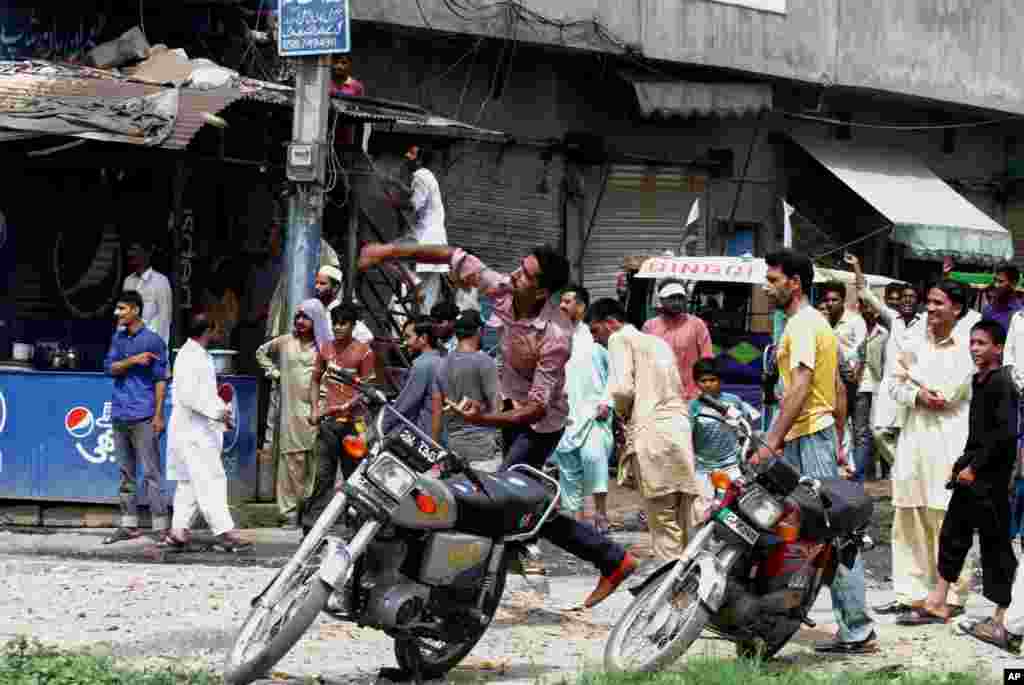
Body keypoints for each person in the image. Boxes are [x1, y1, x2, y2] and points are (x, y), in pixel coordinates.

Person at [359, 240, 634, 608]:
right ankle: (604, 558)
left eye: (525, 274)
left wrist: (482, 417)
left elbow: (537, 409)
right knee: (520, 505)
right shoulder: (503, 289)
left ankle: (596, 560)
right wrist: (388, 252)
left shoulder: (556, 336)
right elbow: (449, 254)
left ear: (541, 290)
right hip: (509, 410)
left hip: (539, 427)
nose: (514, 275)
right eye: (519, 266)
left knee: (504, 501)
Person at [754, 249, 877, 655]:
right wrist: (838, 441)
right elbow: (838, 388)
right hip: (813, 436)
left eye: (773, 280)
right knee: (794, 532)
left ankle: (857, 630)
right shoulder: (806, 324)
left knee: (835, 536)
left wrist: (771, 440)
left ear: (794, 282)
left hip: (808, 438)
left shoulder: (805, 324)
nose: (766, 287)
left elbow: (802, 386)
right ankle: (780, 615)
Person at [899, 321, 1018, 635]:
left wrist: (975, 467)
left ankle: (1003, 615)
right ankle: (938, 600)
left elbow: (1003, 436)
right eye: (973, 343)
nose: (975, 349)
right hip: (971, 476)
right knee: (953, 534)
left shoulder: (1002, 383)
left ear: (998, 348)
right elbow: (977, 433)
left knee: (996, 546)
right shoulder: (979, 380)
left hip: (990, 480)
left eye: (982, 344)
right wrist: (961, 463)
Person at [877, 280, 975, 618]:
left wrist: (912, 378)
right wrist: (915, 392)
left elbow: (947, 393)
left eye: (938, 303)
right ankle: (911, 594)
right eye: (929, 302)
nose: (930, 309)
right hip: (914, 435)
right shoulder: (912, 339)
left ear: (956, 309)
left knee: (946, 514)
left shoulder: (966, 346)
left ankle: (951, 596)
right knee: (908, 512)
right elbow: (893, 384)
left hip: (950, 439)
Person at [588, 297, 701, 562]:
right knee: (683, 519)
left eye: (595, 330)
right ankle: (688, 582)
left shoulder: (618, 339)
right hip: (679, 432)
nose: (596, 339)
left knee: (662, 526)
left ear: (611, 323)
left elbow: (621, 389)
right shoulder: (658, 343)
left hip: (651, 433)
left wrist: (624, 415)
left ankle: (672, 591)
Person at [163, 314, 250, 551]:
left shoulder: (195, 355)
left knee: (189, 483)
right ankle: (224, 530)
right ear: (209, 330)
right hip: (194, 433)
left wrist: (221, 413)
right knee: (211, 479)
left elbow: (205, 395)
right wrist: (218, 412)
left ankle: (178, 530)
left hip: (192, 429)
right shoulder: (190, 356)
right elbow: (192, 396)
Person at [101, 290, 171, 544]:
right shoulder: (117, 339)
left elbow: (161, 380)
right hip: (119, 414)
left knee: (152, 474)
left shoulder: (153, 341)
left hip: (144, 415)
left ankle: (161, 528)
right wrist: (132, 360)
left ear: (136, 311)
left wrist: (159, 415)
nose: (117, 313)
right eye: (117, 309)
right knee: (125, 474)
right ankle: (129, 525)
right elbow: (109, 368)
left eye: (122, 309)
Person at [255, 300, 332, 528]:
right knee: (291, 460)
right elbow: (261, 353)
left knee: (314, 463)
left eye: (305, 317)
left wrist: (324, 400)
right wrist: (274, 372)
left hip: (315, 411)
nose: (299, 321)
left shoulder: (324, 347)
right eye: (297, 316)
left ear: (316, 321)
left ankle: (308, 511)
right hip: (290, 411)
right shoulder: (286, 342)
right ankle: (288, 512)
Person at [304, 303, 377, 534]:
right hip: (328, 425)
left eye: (343, 323)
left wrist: (347, 404)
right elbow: (315, 380)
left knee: (353, 478)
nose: (338, 327)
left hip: (353, 427)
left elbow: (368, 389)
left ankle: (354, 529)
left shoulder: (364, 352)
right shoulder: (326, 349)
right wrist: (315, 408)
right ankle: (310, 529)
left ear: (353, 325)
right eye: (334, 323)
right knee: (322, 477)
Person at [846, 255, 919, 477]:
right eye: (904, 297)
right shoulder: (892, 318)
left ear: (917, 301)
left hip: (912, 386)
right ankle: (903, 468)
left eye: (911, 297)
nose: (907, 300)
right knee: (878, 432)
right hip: (888, 387)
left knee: (907, 434)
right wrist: (857, 265)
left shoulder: (925, 322)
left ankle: (907, 476)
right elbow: (865, 293)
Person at [551, 286, 614, 532]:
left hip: (594, 413)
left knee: (594, 458)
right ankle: (576, 519)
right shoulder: (555, 336)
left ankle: (600, 513)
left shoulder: (596, 337)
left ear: (582, 306)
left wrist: (607, 401)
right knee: (567, 466)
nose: (562, 306)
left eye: (568, 301)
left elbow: (615, 374)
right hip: (565, 413)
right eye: (561, 301)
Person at [690, 358, 760, 515]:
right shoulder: (693, 407)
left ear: (721, 380)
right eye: (703, 380)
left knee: (743, 506)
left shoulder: (733, 402)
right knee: (703, 511)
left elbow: (748, 427)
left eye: (712, 380)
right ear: (696, 383)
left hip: (731, 465)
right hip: (703, 468)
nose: (708, 384)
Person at [384, 145, 448, 314]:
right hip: (435, 239)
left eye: (410, 156)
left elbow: (414, 204)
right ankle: (416, 289)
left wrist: (393, 202)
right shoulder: (427, 176)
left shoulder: (419, 176)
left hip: (425, 237)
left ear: (419, 160)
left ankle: (414, 282)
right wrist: (396, 183)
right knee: (428, 294)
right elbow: (416, 195)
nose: (406, 159)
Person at [433, 310, 500, 463]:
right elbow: (497, 407)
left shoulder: (442, 364)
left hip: (453, 444)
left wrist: (435, 447)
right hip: (482, 445)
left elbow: (437, 410)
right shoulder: (485, 361)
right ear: (478, 331)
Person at [642, 280, 713, 401]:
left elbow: (707, 359)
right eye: (671, 298)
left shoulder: (697, 325)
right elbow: (643, 362)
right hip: (660, 396)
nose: (677, 302)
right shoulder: (650, 327)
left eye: (680, 298)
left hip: (692, 396)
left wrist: (702, 390)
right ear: (661, 300)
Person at [382, 318, 444, 437]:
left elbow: (404, 404)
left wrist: (381, 425)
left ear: (423, 338)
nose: (405, 343)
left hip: (420, 435)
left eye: (408, 337)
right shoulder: (440, 360)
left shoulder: (422, 365)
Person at [853, 295, 889, 481]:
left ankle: (876, 472)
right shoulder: (855, 330)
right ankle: (861, 473)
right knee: (860, 431)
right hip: (857, 386)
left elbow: (885, 363)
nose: (867, 311)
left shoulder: (883, 334)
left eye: (870, 308)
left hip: (876, 386)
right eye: (863, 307)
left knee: (876, 430)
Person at [123, 242, 172, 346]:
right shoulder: (128, 281)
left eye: (135, 250)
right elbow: (124, 315)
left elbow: (165, 319)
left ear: (147, 254)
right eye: (130, 250)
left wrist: (160, 351)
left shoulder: (160, 280)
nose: (131, 254)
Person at [314, 264, 374, 344]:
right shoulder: (314, 308)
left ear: (335, 288)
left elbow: (367, 337)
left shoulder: (342, 310)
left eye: (322, 283)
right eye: (316, 282)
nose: (317, 287)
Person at [982, 263, 1022, 333]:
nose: (995, 285)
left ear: (1014, 283)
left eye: (1000, 281)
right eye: (994, 280)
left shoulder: (1019, 313)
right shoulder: (987, 310)